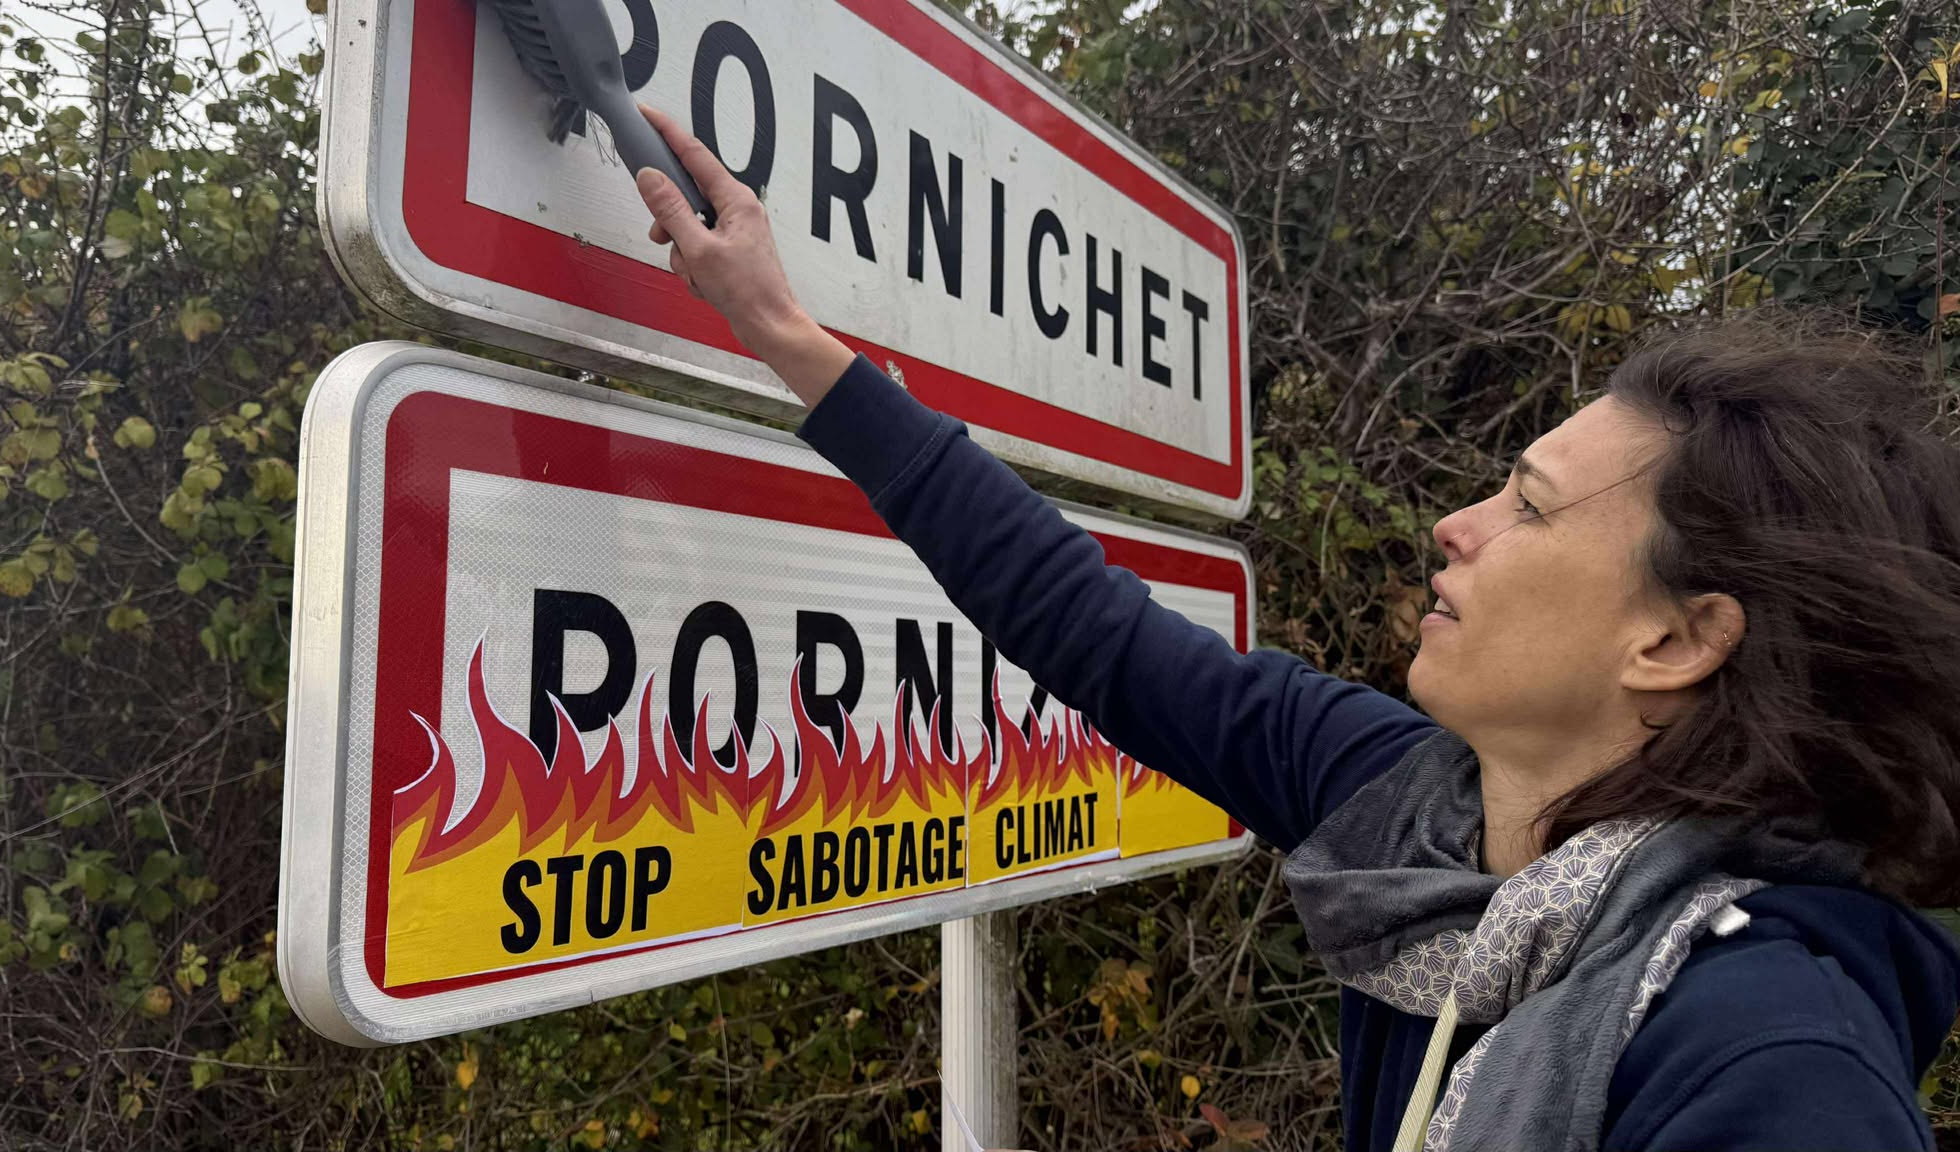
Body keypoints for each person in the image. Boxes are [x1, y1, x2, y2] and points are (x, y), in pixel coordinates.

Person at [628, 105, 1960, 1151]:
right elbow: (1082, 623)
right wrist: (786, 334)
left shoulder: (1772, 1058)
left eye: (1531, 510)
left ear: (1675, 642)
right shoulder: (1407, 813)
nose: (1458, 523)